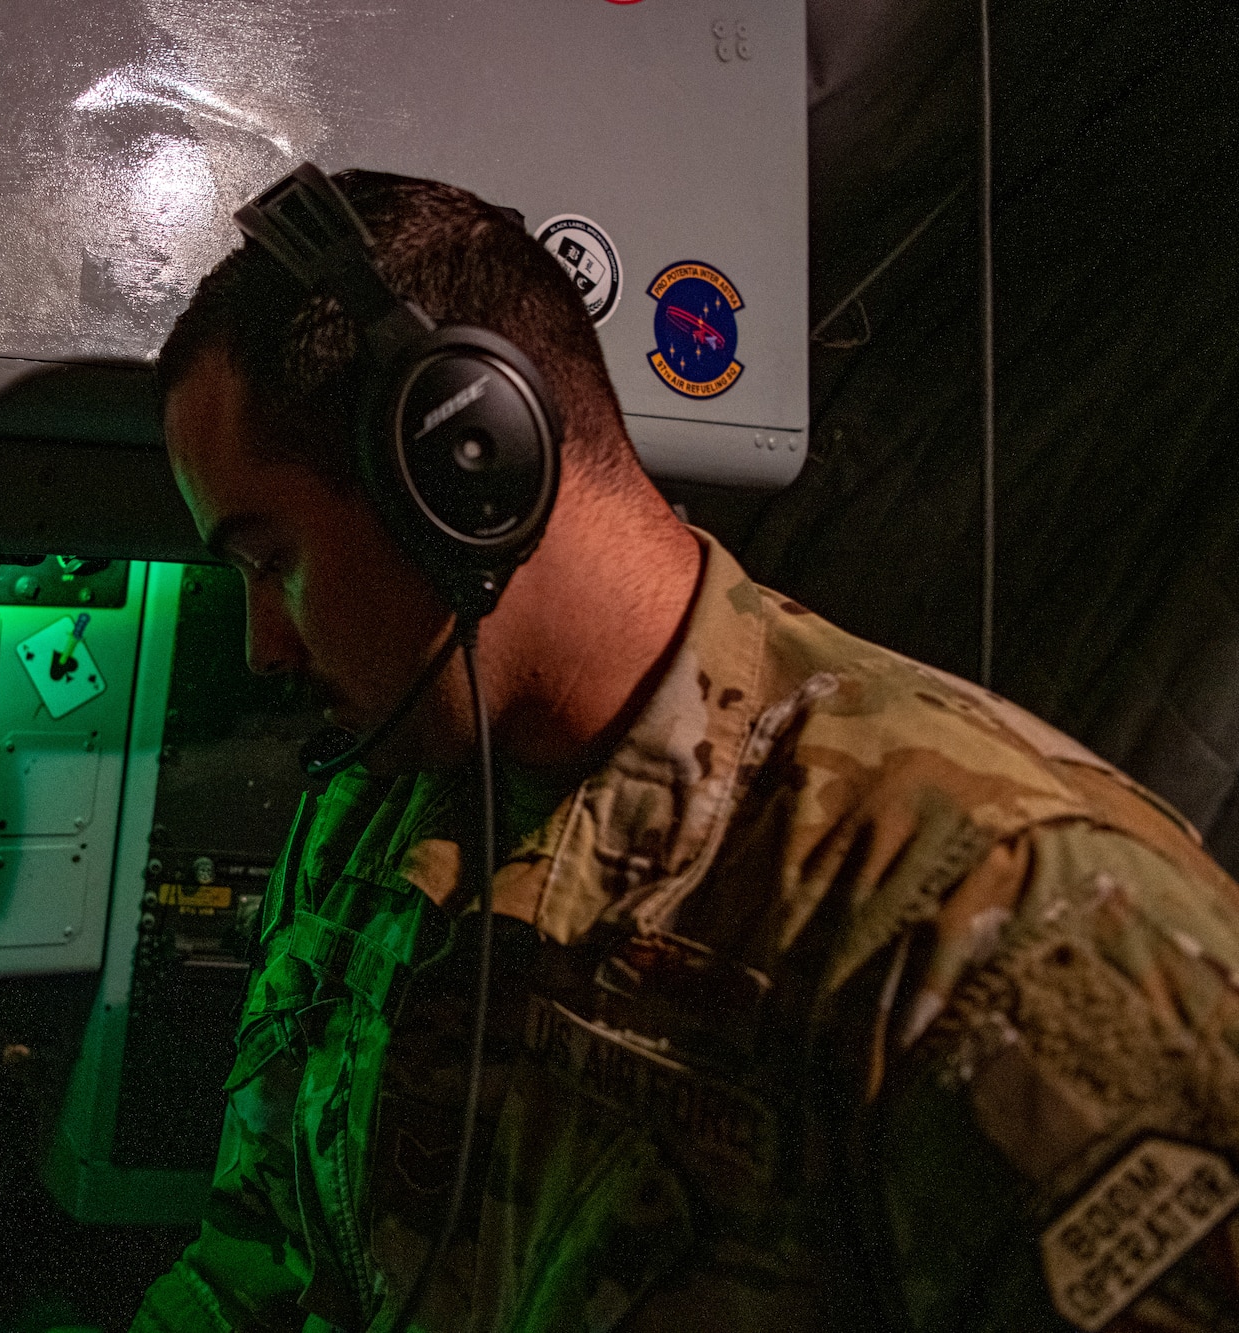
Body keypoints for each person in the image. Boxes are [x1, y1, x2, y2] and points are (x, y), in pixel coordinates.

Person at [131, 169, 1239, 1333]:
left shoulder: (994, 914)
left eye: (268, 561)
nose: (261, 645)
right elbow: (259, 1266)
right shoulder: (377, 804)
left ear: (459, 471)